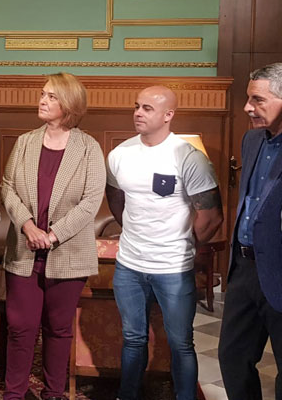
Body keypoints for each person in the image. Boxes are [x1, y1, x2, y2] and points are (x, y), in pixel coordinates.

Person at [105, 85, 223, 400]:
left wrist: (185, 246)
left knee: (181, 342)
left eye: (147, 108)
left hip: (173, 267)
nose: (138, 113)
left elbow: (211, 217)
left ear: (168, 115)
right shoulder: (120, 154)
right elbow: (116, 199)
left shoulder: (188, 157)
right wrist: (133, 231)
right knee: (132, 339)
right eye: (136, 106)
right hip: (129, 265)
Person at [0, 73, 106, 400]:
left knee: (59, 330)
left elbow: (91, 200)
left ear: (69, 104)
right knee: (20, 328)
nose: (42, 100)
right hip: (24, 250)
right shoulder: (25, 142)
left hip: (68, 253)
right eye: (43, 94)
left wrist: (54, 234)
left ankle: (54, 393)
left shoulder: (88, 148)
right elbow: (8, 187)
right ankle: (14, 394)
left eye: (51, 96)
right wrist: (28, 226)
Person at [218, 63, 282, 400]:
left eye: (258, 100)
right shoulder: (250, 139)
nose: (248, 107)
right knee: (232, 356)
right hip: (244, 268)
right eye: (249, 99)